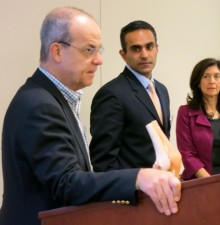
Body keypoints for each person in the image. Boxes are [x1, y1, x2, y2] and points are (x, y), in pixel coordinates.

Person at [0, 7, 181, 225]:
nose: (98, 60)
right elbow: (66, 183)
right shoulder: (39, 104)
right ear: (57, 51)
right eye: (89, 50)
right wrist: (138, 178)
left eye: (99, 50)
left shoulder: (53, 98)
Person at [90, 20, 171, 172]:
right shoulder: (111, 94)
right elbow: (103, 161)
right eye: (136, 49)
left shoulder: (162, 90)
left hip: (162, 189)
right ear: (123, 55)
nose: (145, 54)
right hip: (131, 192)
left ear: (157, 49)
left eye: (149, 46)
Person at [176, 58, 220, 180]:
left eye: (216, 76)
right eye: (206, 76)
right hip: (199, 182)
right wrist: (211, 182)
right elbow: (188, 155)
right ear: (198, 82)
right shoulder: (186, 113)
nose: (212, 81)